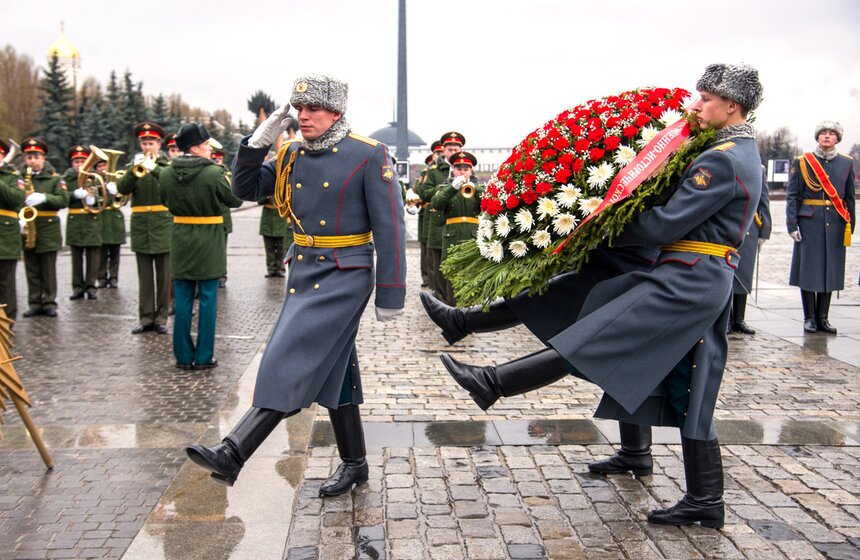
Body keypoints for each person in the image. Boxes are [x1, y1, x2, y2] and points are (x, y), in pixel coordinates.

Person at [438, 63, 764, 529]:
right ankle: (693, 490)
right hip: (691, 273)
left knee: (601, 338)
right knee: (685, 384)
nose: (697, 105)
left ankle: (493, 382)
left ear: (731, 106)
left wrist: (602, 223)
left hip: (688, 278)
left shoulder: (724, 157)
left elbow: (669, 223)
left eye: (706, 99)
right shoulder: (729, 149)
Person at [186, 75, 406, 497]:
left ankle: (234, 451)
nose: (303, 117)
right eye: (299, 110)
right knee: (335, 372)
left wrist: (390, 290)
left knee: (289, 356)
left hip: (345, 273)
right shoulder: (291, 154)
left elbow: (391, 226)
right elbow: (243, 190)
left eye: (313, 110)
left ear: (336, 113)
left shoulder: (367, 153)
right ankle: (355, 463)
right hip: (304, 269)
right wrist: (254, 145)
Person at [158, 123, 243, 370]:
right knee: (207, 300)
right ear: (194, 148)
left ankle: (183, 356)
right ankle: (204, 356)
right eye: (206, 144)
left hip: (181, 237)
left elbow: (165, 200)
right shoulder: (214, 174)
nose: (209, 149)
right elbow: (235, 200)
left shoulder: (165, 173)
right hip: (209, 238)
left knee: (183, 300)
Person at [786, 121, 855, 334]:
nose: (827, 136)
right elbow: (793, 195)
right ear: (817, 138)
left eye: (831, 134)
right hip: (809, 222)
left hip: (836, 223)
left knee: (830, 271)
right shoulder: (803, 161)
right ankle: (809, 318)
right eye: (823, 133)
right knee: (808, 270)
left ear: (837, 139)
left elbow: (850, 197)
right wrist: (792, 224)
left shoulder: (847, 163)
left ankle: (823, 318)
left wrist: (850, 225)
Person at [117, 122, 172, 334]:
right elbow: (122, 189)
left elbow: (170, 184)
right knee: (145, 277)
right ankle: (146, 317)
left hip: (162, 224)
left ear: (159, 144)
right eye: (144, 143)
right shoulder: (134, 165)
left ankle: (161, 318)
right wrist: (133, 171)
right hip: (141, 226)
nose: (147, 147)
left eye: (151, 142)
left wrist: (154, 168)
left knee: (164, 276)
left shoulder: (167, 166)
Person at [19, 138, 70, 318]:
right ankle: (34, 302)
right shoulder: (20, 178)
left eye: (36, 157)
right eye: (29, 157)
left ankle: (49, 302)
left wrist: (45, 197)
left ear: (44, 158)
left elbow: (63, 200)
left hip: (47, 228)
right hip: (26, 227)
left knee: (48, 268)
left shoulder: (55, 179)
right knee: (31, 268)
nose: (32, 160)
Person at [430, 150, 483, 305]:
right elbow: (437, 204)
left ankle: (472, 310)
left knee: (473, 272)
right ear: (453, 170)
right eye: (459, 168)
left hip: (473, 235)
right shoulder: (446, 187)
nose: (462, 172)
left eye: (466, 169)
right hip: (451, 236)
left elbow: (488, 204)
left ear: (471, 170)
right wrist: (453, 187)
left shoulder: (478, 187)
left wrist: (475, 187)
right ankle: (451, 308)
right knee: (452, 274)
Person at [417, 132, 464, 298]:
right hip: (438, 222)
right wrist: (444, 188)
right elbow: (423, 192)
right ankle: (441, 297)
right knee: (437, 263)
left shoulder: (465, 169)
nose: (453, 152)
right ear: (443, 150)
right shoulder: (434, 171)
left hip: (459, 224)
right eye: (449, 149)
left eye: (456, 149)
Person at [729, 166, 771, 334]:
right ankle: (724, 320)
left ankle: (739, 319)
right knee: (728, 274)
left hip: (749, 226)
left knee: (744, 272)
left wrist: (765, 230)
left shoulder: (758, 168)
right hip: (729, 224)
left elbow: (763, 200)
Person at [64, 145, 102, 301]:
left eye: (83, 161)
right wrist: (73, 195)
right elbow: (61, 197)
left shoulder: (95, 178)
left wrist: (95, 199)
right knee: (76, 258)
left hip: (91, 220)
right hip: (75, 221)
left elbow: (108, 198)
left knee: (93, 257)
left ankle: (91, 286)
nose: (80, 164)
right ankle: (78, 287)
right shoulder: (67, 178)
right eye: (77, 161)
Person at [0, 139, 24, 321]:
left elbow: (16, 199)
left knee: (6, 282)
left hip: (5, 236)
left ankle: (7, 321)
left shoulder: (12, 176)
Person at [415, 141, 443, 288]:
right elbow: (419, 189)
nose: (440, 156)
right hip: (428, 211)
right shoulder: (427, 173)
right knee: (427, 249)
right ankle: (428, 277)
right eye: (437, 153)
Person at [99, 159, 126, 289]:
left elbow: (124, 200)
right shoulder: (94, 181)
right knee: (101, 252)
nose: (103, 168)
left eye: (105, 165)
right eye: (100, 166)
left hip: (115, 218)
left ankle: (114, 277)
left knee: (115, 252)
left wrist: (116, 191)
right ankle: (102, 277)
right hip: (101, 217)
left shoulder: (118, 181)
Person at [258, 195, 289, 277]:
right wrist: (266, 197)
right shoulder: (265, 188)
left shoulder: (283, 186)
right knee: (269, 247)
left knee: (281, 248)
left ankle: (280, 268)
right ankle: (271, 269)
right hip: (267, 221)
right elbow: (259, 201)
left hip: (281, 220)